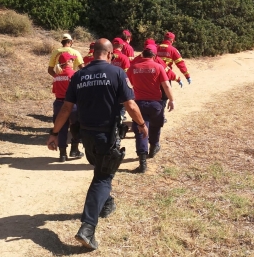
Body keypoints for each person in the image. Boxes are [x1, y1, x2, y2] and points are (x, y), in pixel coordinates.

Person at [46, 38, 148, 250]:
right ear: (110, 54)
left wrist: (55, 133)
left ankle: (107, 202)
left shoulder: (79, 75)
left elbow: (66, 108)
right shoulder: (117, 73)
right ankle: (87, 228)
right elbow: (130, 103)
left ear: (94, 54)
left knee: (100, 168)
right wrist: (140, 124)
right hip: (106, 135)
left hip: (85, 135)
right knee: (103, 177)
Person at [127, 44, 175, 173]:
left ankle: (142, 162)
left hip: (139, 104)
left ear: (142, 54)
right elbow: (166, 86)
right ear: (154, 56)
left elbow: (127, 85)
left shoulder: (133, 67)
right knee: (155, 126)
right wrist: (171, 100)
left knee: (141, 131)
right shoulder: (159, 67)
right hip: (155, 104)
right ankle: (154, 147)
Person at [51, 52, 84, 162]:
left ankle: (62, 154)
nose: (73, 61)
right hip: (71, 104)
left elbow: (55, 91)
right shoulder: (74, 74)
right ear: (68, 62)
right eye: (72, 60)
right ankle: (74, 149)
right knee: (76, 126)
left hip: (58, 104)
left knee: (61, 129)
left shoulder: (56, 76)